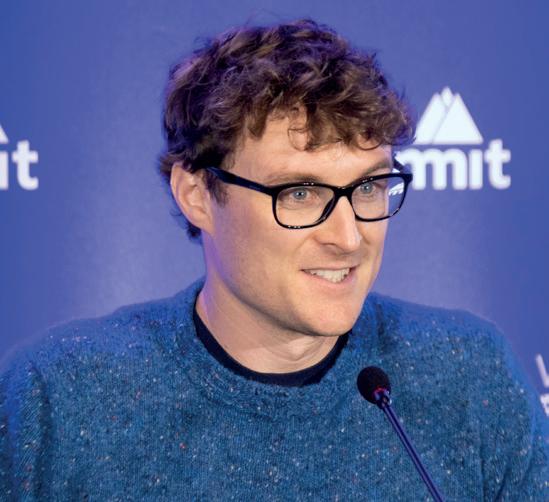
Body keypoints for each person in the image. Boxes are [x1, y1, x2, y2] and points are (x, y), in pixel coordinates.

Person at [0, 18, 547, 501]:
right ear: (197, 195)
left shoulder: (469, 374)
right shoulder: (60, 398)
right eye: (300, 193)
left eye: (369, 187)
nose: (348, 237)